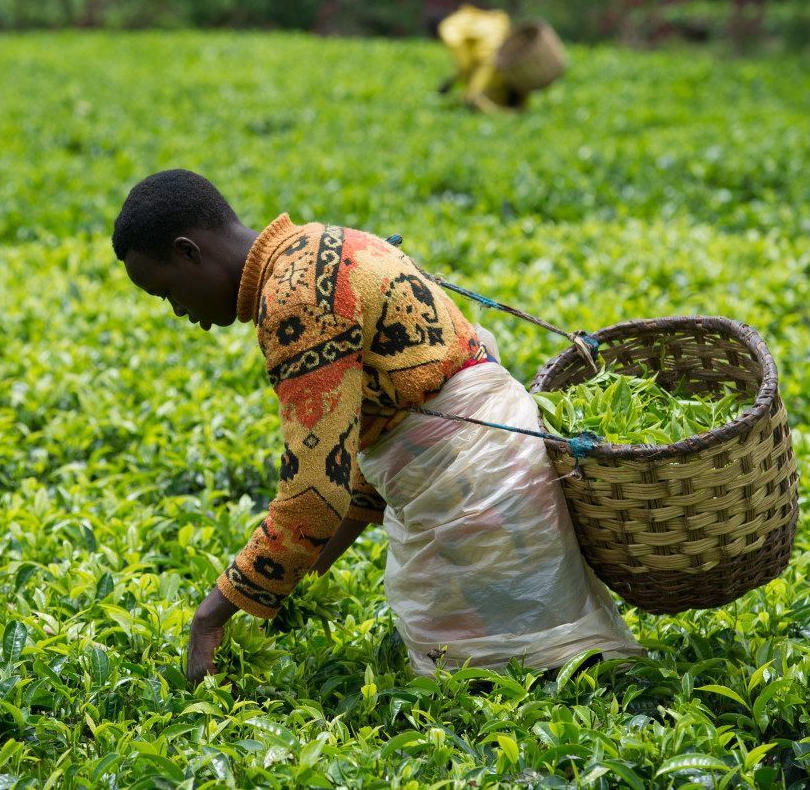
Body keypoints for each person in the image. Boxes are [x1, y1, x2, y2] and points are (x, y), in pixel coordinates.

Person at [113, 169, 643, 683]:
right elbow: (372, 445)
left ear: (188, 251)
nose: (178, 311)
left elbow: (313, 491)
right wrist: (298, 575)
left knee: (502, 689)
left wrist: (212, 616)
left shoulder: (294, 298)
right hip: (497, 471)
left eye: (166, 292)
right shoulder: (324, 243)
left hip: (476, 491)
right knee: (553, 669)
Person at [430, 4, 527, 113]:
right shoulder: (464, 16)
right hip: (506, 50)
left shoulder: (447, 27)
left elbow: (465, 64)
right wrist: (452, 81)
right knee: (497, 91)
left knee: (471, 99)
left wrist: (453, 81)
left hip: (489, 57)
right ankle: (516, 108)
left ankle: (508, 116)